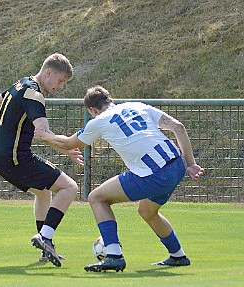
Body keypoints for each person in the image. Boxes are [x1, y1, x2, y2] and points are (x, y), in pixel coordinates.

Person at [34, 85, 204, 272]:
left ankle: (114, 255)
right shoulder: (137, 106)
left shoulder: (99, 120)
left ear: (92, 110)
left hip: (153, 174)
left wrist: (43, 136)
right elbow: (178, 127)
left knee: (97, 198)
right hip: (177, 166)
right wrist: (190, 164)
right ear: (110, 99)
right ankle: (178, 255)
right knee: (147, 211)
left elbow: (68, 143)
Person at [0, 53, 83, 267]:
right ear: (48, 72)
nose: (60, 87)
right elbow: (42, 133)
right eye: (60, 81)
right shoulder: (34, 94)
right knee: (69, 187)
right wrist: (68, 144)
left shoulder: (21, 84)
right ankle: (45, 237)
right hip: (16, 158)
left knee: (43, 192)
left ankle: (44, 249)